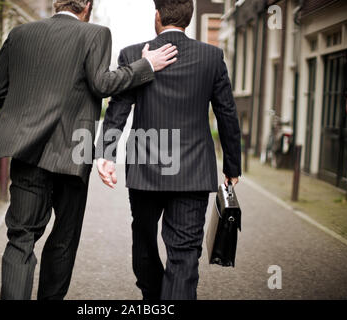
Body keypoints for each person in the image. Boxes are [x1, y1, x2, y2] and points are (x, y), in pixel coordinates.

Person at [0, 0, 178, 300]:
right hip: (73, 153)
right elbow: (102, 84)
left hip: (27, 152)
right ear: (87, 5)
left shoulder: (20, 33)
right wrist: (146, 66)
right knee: (63, 239)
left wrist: (28, 113)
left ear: (54, 2)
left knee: (20, 238)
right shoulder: (96, 34)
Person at [97, 0, 242, 300]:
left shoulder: (135, 54)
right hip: (193, 172)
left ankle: (153, 297)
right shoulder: (211, 57)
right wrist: (232, 167)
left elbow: (118, 110)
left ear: (157, 16)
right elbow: (227, 113)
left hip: (146, 170)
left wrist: (105, 155)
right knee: (185, 254)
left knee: (144, 240)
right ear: (188, 19)